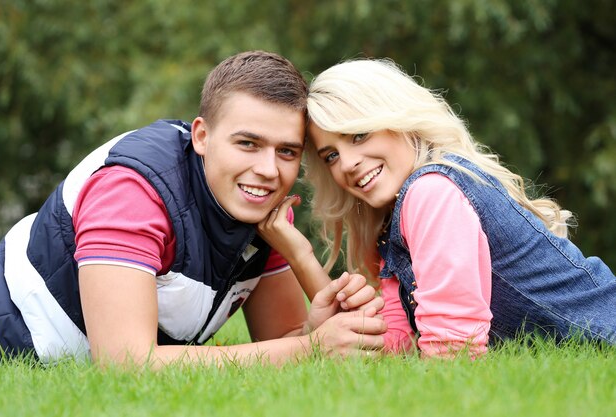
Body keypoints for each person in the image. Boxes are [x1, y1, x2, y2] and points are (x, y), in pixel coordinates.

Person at [0, 51, 386, 366]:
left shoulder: (261, 211)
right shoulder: (134, 190)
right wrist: (310, 348)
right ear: (201, 136)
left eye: (286, 151)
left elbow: (279, 346)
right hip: (9, 338)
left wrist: (311, 331)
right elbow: (126, 364)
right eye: (247, 143)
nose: (268, 171)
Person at [261, 58, 615, 359]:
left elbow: (453, 349)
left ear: (398, 120)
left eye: (359, 135)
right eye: (331, 156)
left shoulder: (432, 192)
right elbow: (393, 344)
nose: (348, 163)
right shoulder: (396, 218)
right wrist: (301, 255)